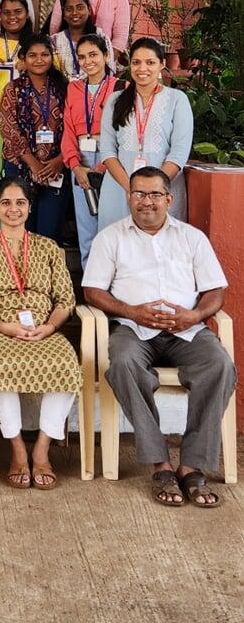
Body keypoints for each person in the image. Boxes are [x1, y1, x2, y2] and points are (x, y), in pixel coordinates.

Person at [83, 167, 236, 508]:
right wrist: (131, 311)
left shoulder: (191, 238)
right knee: (121, 363)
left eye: (154, 195)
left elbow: (215, 291)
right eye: (138, 194)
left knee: (220, 365)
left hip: (187, 330)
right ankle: (160, 464)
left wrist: (194, 315)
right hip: (134, 329)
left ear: (169, 199)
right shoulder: (111, 238)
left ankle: (192, 465)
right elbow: (93, 291)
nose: (146, 202)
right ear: (128, 197)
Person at [0, 176, 81, 489]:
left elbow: (65, 299)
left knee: (66, 362)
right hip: (0, 332)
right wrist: (4, 327)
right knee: (0, 366)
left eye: (20, 202)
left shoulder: (48, 248)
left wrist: (49, 327)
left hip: (44, 331)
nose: (13, 209)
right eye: (6, 202)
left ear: (29, 208)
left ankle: (42, 449)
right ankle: (17, 450)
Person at [98, 37, 193, 229]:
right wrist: (132, 189)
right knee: (119, 251)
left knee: (160, 253)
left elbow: (179, 153)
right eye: (136, 62)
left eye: (150, 62)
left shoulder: (177, 99)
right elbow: (107, 151)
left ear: (162, 65)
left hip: (162, 192)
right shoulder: (116, 100)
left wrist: (151, 192)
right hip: (119, 189)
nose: (142, 69)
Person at [0, 36, 69, 243]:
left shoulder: (65, 89)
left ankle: (45, 276)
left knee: (48, 233)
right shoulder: (12, 89)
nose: (39, 60)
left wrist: (60, 160)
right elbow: (8, 129)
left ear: (52, 57)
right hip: (20, 167)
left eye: (45, 55)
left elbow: (75, 129)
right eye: (32, 55)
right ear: (23, 58)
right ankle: (17, 275)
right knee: (19, 230)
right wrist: (34, 164)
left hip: (56, 169)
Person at [60, 34, 119, 266]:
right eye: (82, 57)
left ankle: (112, 282)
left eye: (93, 55)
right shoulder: (73, 89)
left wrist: (105, 164)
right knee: (86, 224)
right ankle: (90, 283)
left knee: (111, 222)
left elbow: (122, 131)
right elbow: (67, 130)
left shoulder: (120, 87)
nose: (88, 62)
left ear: (106, 56)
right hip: (81, 160)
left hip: (111, 160)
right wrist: (75, 166)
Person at [51, 0, 114, 79]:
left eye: (80, 8)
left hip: (97, 91)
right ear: (63, 14)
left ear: (88, 10)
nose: (74, 13)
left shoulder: (102, 38)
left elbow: (109, 72)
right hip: (63, 91)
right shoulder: (54, 41)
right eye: (69, 9)